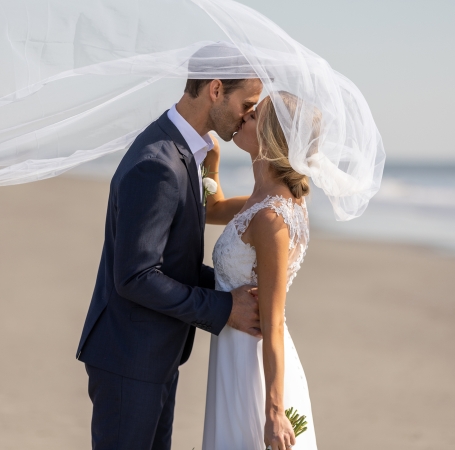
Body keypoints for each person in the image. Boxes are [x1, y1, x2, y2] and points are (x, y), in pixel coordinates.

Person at [76, 43, 264, 450]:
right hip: (130, 360)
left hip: (152, 354)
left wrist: (230, 289)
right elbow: (136, 276)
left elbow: (172, 261)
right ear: (216, 90)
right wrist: (224, 307)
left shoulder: (183, 149)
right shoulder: (158, 163)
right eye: (246, 103)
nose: (249, 115)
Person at [202, 91, 319, 450]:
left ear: (269, 137)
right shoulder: (260, 202)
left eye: (253, 116)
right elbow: (214, 208)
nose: (244, 116)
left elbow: (273, 320)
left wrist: (274, 411)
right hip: (233, 350)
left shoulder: (272, 217)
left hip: (252, 365)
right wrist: (212, 161)